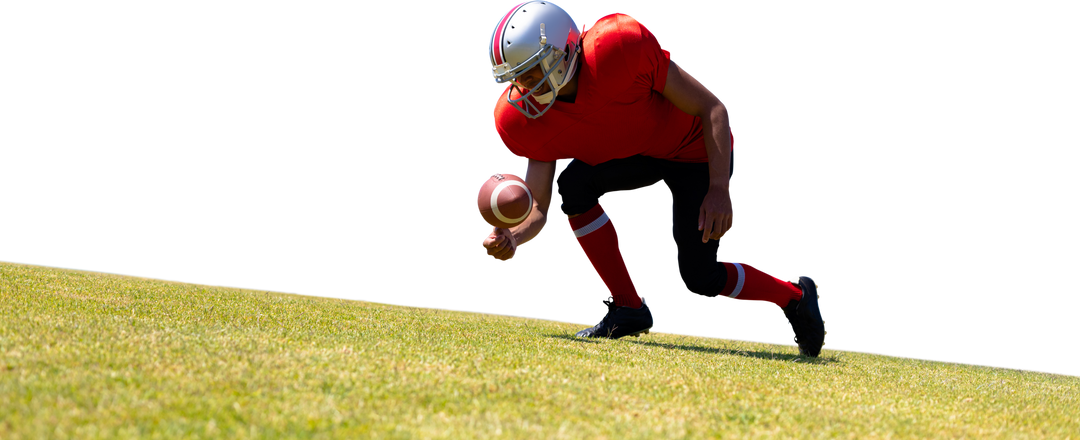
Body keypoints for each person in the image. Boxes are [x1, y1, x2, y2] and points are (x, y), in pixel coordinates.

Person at [478, 1, 828, 356]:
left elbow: (713, 109)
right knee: (573, 186)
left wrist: (721, 188)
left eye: (531, 73)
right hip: (637, 151)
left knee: (701, 277)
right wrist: (514, 236)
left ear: (564, 51)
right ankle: (628, 308)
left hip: (695, 150)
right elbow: (540, 207)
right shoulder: (520, 119)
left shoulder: (618, 49)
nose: (521, 88)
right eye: (514, 78)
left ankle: (795, 295)